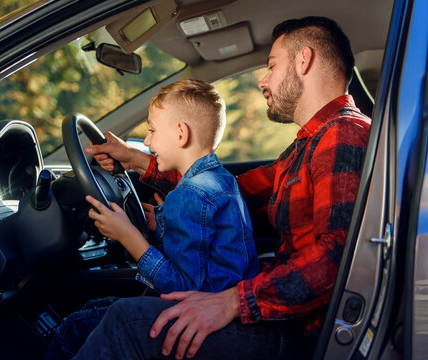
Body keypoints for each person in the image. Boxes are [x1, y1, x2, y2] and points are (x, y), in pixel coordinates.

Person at [47, 16, 371, 359]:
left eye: (272, 66)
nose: (263, 80)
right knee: (84, 322)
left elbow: (340, 257)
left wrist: (233, 301)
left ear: (304, 60)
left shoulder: (343, 134)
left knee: (125, 322)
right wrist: (137, 161)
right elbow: (229, 191)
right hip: (276, 312)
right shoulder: (306, 146)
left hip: (298, 332)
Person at [86, 79, 259, 294]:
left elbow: (181, 288)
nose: (147, 141)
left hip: (202, 311)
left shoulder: (187, 195)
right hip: (228, 295)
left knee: (87, 319)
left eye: (152, 130)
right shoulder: (223, 180)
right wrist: (160, 224)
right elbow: (206, 244)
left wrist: (127, 236)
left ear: (180, 134)